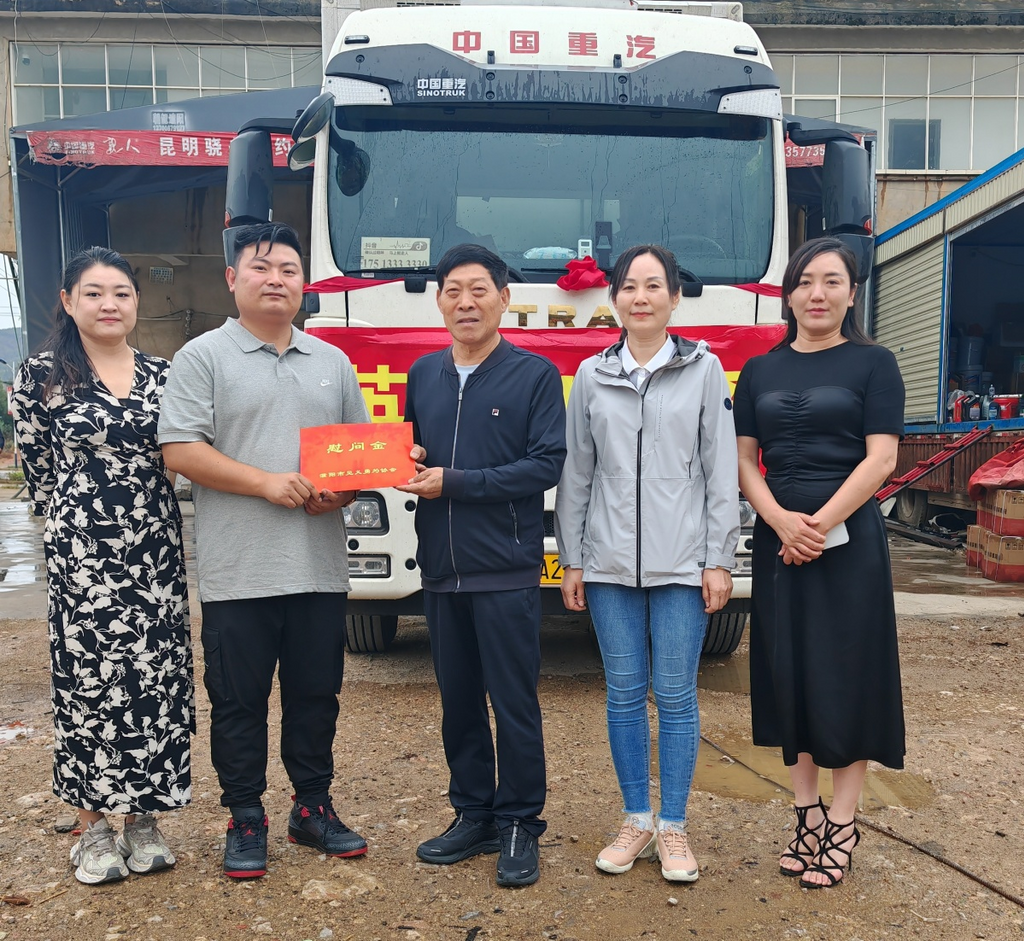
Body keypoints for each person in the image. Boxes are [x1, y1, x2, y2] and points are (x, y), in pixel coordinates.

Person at [158, 222, 370, 879]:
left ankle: (312, 807)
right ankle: (246, 816)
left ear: (304, 283)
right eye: (260, 267)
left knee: (316, 696)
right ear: (232, 278)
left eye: (288, 269)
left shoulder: (331, 361)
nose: (275, 279)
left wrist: (340, 493)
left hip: (318, 569)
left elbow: (359, 457)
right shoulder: (202, 357)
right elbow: (180, 449)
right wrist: (266, 483)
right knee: (238, 702)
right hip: (238, 572)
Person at [554, 244, 739, 884]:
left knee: (677, 695)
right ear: (613, 299)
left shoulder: (704, 370)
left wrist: (719, 558)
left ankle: (674, 825)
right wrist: (572, 559)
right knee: (625, 694)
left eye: (654, 285)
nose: (640, 297)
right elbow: (577, 474)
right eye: (629, 286)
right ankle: (636, 817)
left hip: (684, 565)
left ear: (674, 297)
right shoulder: (592, 375)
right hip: (608, 565)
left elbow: (720, 471)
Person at [11, 247, 192, 885]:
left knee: (156, 681)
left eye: (121, 293)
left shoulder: (164, 374)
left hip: (155, 552)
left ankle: (144, 817)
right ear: (68, 302)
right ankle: (91, 826)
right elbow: (38, 468)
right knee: (88, 682)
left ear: (136, 302)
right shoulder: (40, 376)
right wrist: (74, 529)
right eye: (93, 293)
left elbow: (184, 455)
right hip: (83, 558)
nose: (109, 304)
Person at [733, 236, 905, 889]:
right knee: (790, 672)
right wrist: (780, 521)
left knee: (847, 675)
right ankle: (804, 814)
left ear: (852, 293)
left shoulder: (875, 363)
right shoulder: (759, 370)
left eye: (832, 281)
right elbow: (744, 461)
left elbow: (881, 459)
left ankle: (842, 821)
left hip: (848, 543)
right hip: (779, 541)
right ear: (788, 294)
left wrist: (820, 523)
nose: (817, 293)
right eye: (805, 281)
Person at [396, 243, 566, 887]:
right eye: (453, 291)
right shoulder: (423, 374)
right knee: (459, 701)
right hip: (441, 568)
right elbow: (414, 451)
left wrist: (455, 482)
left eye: (478, 290)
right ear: (439, 301)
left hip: (505, 569)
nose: (465, 303)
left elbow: (545, 465)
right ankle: (473, 813)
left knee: (514, 702)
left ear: (504, 298)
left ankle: (520, 821)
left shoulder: (534, 375)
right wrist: (409, 460)